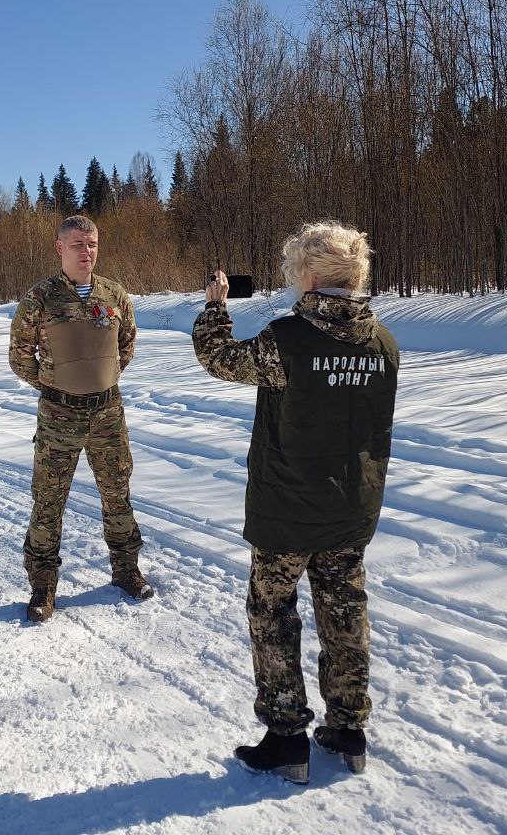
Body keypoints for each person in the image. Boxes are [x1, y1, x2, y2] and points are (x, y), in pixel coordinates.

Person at [192, 221, 399, 784]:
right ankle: (348, 727)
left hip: (287, 512)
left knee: (274, 615)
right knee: (345, 612)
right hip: (350, 508)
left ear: (308, 276)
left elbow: (218, 358)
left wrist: (215, 307)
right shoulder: (383, 343)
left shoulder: (288, 339)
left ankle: (286, 736)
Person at [9, 214, 153, 623]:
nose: (85, 252)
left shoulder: (115, 294)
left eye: (91, 244)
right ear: (60, 248)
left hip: (108, 414)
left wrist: (99, 379)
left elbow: (126, 347)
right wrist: (58, 384)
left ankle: (126, 571)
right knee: (49, 500)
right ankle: (43, 585)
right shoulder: (40, 298)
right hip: (59, 417)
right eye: (76, 244)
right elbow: (20, 357)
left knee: (117, 494)